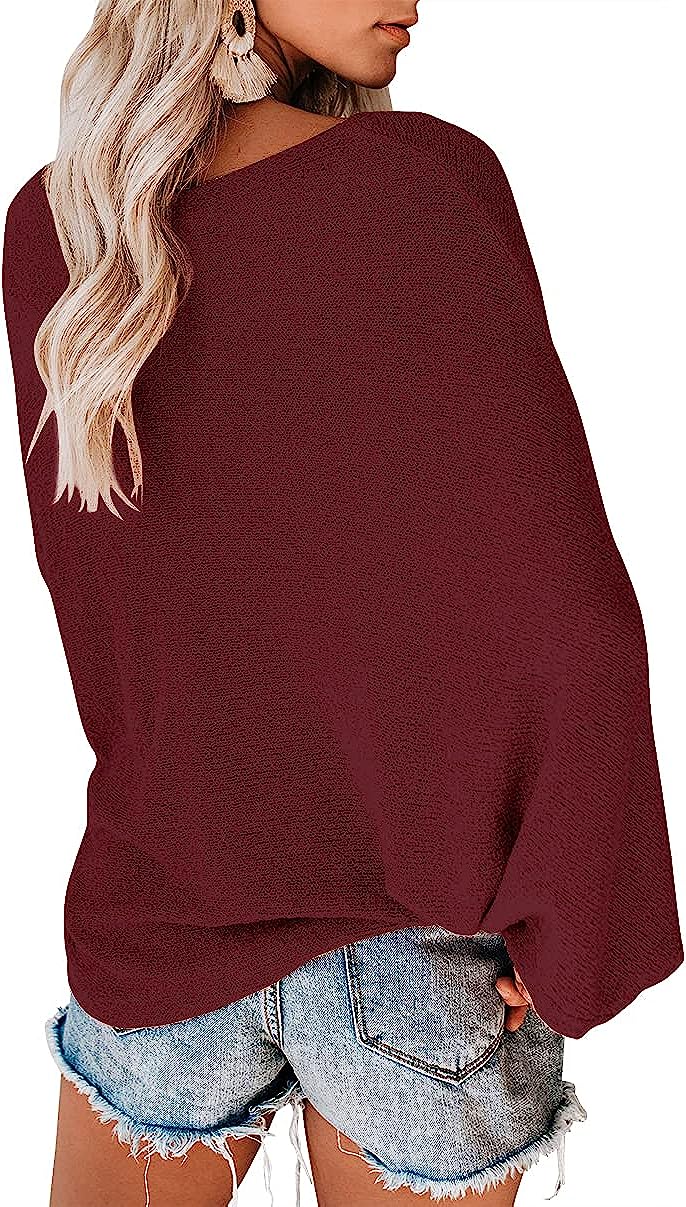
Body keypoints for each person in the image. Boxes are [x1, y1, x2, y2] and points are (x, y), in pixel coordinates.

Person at [2, 2, 682, 1205]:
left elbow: (114, 608)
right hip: (416, 954)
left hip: (156, 923)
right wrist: (577, 916)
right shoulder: (421, 184)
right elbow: (572, 619)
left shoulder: (64, 226)